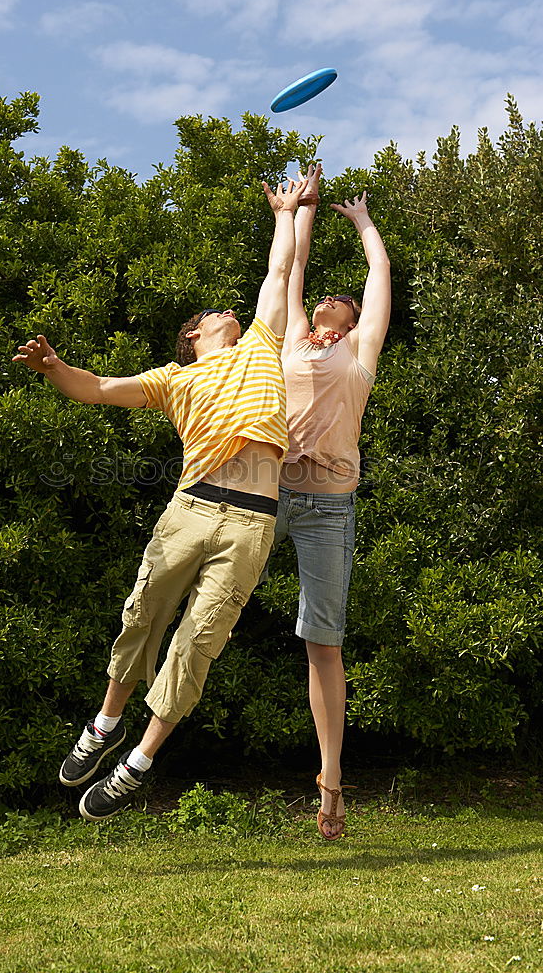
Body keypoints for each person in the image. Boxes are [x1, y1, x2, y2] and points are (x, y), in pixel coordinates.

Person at [13, 174, 309, 821]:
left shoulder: (262, 341)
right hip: (194, 507)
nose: (225, 311)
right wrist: (54, 368)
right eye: (211, 315)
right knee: (144, 611)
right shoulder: (174, 379)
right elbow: (96, 388)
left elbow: (280, 267)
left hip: (252, 521)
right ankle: (104, 724)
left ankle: (138, 762)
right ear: (195, 335)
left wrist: (285, 212)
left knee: (200, 639)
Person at [274, 163, 391, 840]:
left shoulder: (361, 352)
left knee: (323, 642)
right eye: (322, 302)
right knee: (207, 605)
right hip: (267, 490)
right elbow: (289, 270)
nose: (324, 304)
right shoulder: (290, 339)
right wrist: (305, 207)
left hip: (328, 508)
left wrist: (364, 223)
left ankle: (330, 783)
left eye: (337, 306)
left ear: (348, 322)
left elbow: (378, 284)